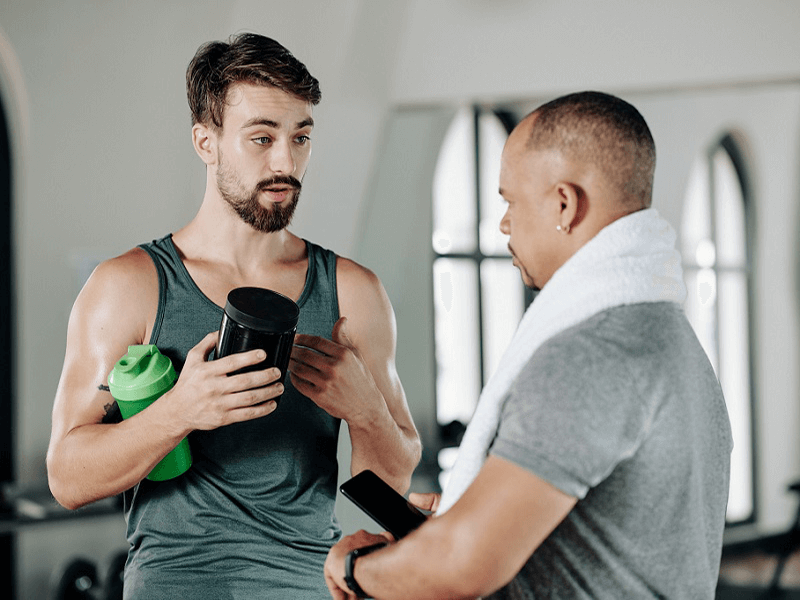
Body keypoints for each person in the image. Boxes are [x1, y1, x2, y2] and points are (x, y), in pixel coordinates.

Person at [46, 33, 421, 599]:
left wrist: (368, 412)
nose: (285, 163)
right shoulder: (129, 286)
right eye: (262, 138)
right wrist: (179, 411)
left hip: (306, 587)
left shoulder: (352, 292)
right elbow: (67, 478)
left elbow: (385, 484)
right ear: (206, 141)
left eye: (300, 138)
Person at [323, 91, 732, 599]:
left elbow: (459, 564)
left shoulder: (590, 354)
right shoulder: (671, 342)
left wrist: (356, 568)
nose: (504, 223)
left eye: (510, 201)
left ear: (564, 203)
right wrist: (467, 513)